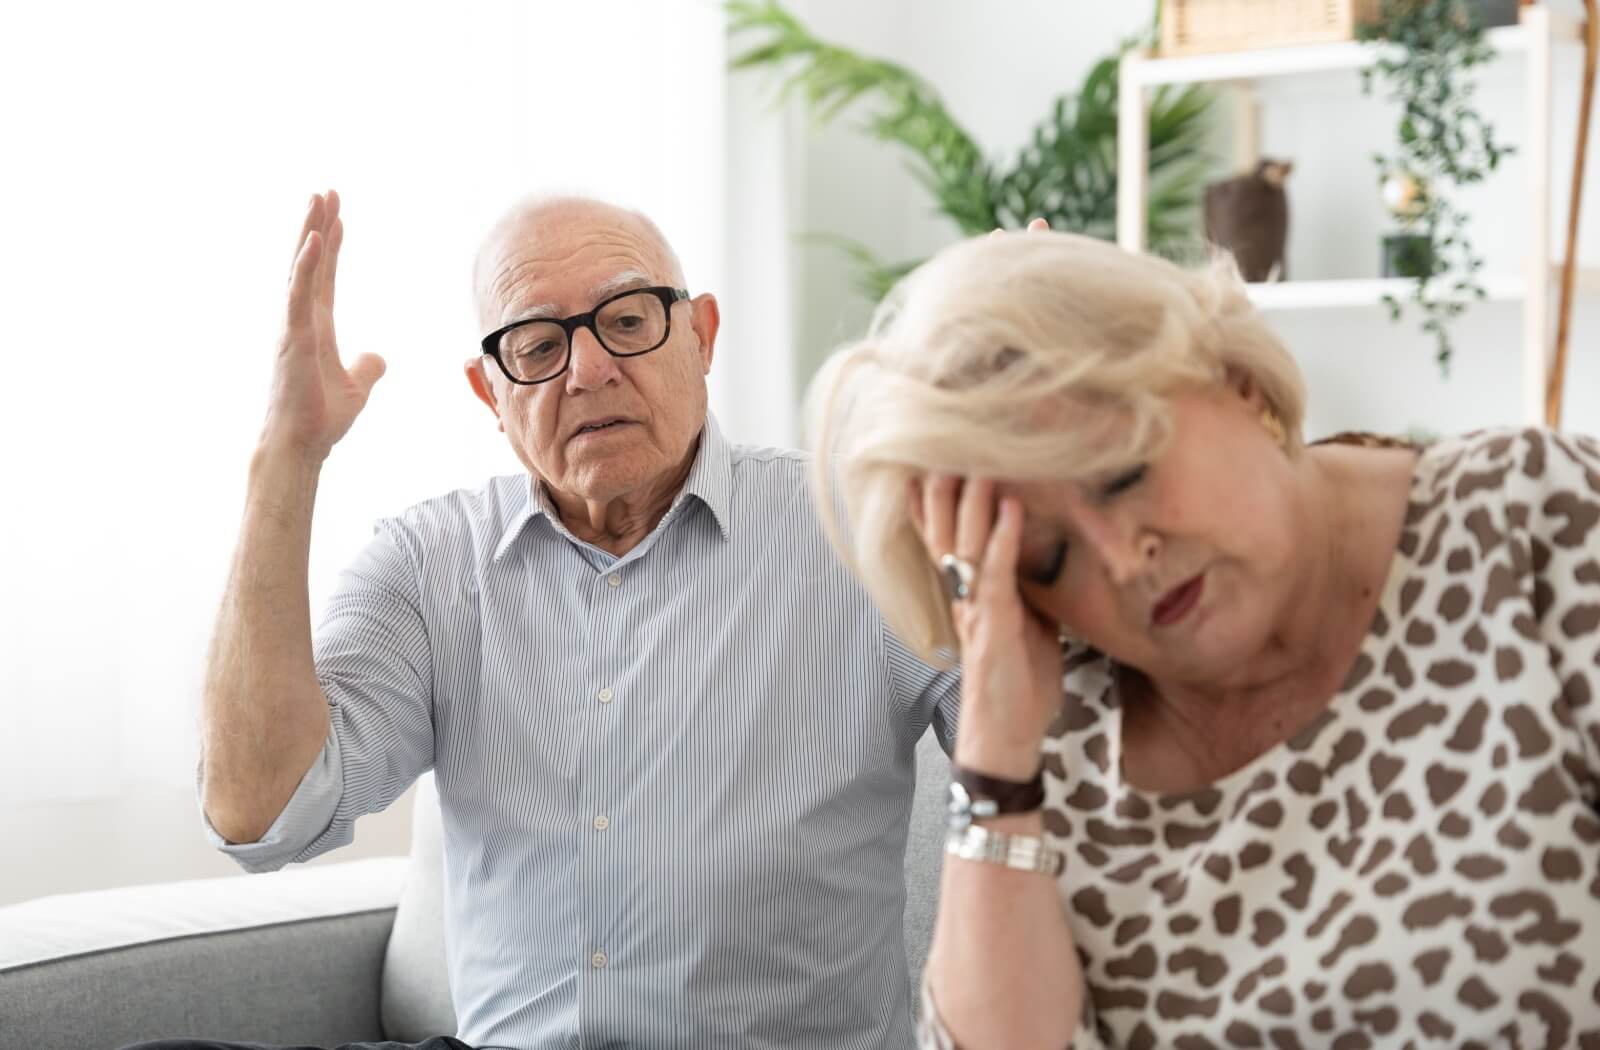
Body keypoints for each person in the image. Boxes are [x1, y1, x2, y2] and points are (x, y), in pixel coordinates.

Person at [128, 191, 959, 1050]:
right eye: (537, 345)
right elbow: (261, 814)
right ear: (490, 391)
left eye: (629, 321)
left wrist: (1050, 463)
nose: (589, 369)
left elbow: (1065, 783)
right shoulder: (428, 563)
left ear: (702, 335)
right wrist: (286, 455)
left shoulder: (863, 530)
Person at [805, 227, 1600, 1048]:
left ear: (1238, 380)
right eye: (1051, 557)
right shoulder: (1057, 731)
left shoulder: (1538, 521)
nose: (1120, 560)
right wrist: (998, 760)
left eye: (1124, 472)